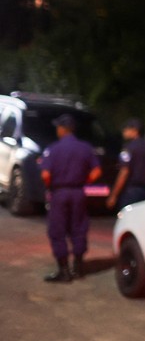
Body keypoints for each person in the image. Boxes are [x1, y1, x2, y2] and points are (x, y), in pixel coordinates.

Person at [40, 113, 102, 282]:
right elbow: (97, 171)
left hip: (59, 193)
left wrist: (50, 186)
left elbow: (45, 175)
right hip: (78, 192)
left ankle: (64, 271)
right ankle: (79, 268)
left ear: (61, 129)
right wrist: (84, 181)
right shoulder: (85, 148)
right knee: (79, 228)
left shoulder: (53, 149)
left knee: (57, 230)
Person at [107, 117, 145, 212]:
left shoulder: (128, 149)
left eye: (126, 129)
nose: (124, 132)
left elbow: (124, 172)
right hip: (144, 191)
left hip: (130, 191)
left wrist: (114, 195)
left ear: (135, 130)